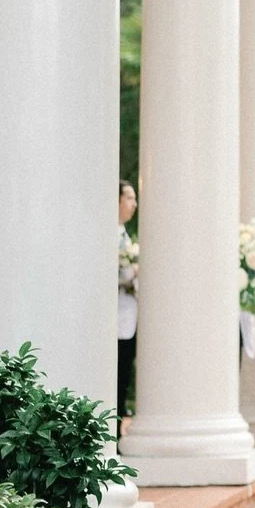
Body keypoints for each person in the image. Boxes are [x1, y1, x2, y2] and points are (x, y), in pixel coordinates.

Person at [116, 180, 138, 422]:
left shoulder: (125, 236)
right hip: (117, 316)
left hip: (130, 316)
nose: (134, 204)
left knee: (125, 372)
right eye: (130, 198)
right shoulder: (112, 236)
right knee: (118, 373)